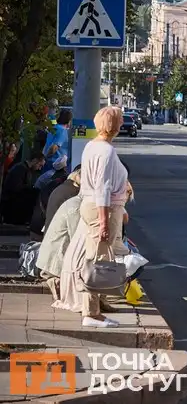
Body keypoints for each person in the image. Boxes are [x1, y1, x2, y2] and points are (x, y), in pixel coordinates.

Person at [71, 106, 131, 327]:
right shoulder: (106, 152)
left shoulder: (92, 146)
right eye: (120, 120)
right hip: (102, 210)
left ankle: (97, 307)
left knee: (96, 256)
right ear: (112, 125)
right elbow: (103, 187)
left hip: (92, 206)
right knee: (99, 260)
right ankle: (91, 313)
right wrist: (105, 221)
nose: (122, 123)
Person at [37, 171, 82, 301]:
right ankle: (56, 279)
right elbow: (75, 232)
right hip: (57, 249)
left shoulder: (63, 188)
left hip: (49, 240)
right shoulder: (74, 197)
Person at [0, 150, 45, 225]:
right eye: (40, 165)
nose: (39, 168)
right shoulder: (20, 169)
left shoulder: (26, 169)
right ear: (34, 161)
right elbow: (15, 189)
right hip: (11, 203)